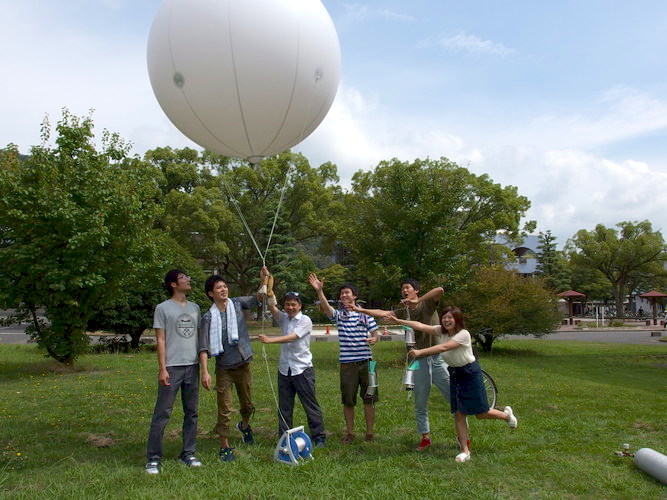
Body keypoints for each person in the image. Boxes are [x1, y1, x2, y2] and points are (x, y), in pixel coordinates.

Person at [388, 306, 517, 463]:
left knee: (481, 413)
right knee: (459, 413)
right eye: (444, 317)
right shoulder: (441, 331)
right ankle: (465, 451)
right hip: (455, 373)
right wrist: (398, 320)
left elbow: (444, 347)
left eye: (450, 317)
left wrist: (420, 352)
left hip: (470, 373)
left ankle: (506, 416)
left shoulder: (463, 334)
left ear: (457, 319)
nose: (446, 320)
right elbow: (420, 326)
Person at [351, 279, 450, 451]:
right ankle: (425, 438)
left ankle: (463, 438)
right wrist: (360, 310)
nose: (404, 291)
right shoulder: (404, 311)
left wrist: (418, 301)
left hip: (437, 358)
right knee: (420, 403)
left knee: (454, 398)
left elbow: (440, 290)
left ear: (416, 290)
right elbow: (382, 313)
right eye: (402, 288)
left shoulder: (427, 304)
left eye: (407, 288)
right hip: (418, 361)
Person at [199, 267, 270, 462]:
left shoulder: (237, 303)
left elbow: (258, 299)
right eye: (218, 288)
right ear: (211, 294)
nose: (223, 289)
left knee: (247, 404)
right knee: (225, 408)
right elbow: (203, 346)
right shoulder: (208, 317)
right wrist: (205, 372)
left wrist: (263, 280)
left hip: (243, 363)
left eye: (225, 286)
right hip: (224, 368)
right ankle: (224, 446)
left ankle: (244, 426)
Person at [145, 270, 210, 475]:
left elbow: (200, 340)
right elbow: (160, 339)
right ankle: (153, 458)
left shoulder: (195, 308)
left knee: (192, 412)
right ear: (173, 284)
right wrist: (162, 368)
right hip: (172, 368)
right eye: (183, 278)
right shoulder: (162, 308)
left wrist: (204, 370)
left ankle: (188, 453)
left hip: (192, 366)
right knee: (162, 413)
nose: (188, 280)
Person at [308, 273, 379, 443]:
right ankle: (350, 433)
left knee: (369, 399)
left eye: (347, 292)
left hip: (368, 362)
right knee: (348, 401)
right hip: (347, 364)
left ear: (355, 296)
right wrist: (319, 291)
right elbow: (326, 307)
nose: (344, 295)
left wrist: (374, 338)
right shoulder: (339, 316)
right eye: (342, 293)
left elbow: (375, 334)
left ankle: (370, 433)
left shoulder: (365, 315)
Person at [258, 288, 326, 447]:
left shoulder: (305, 320)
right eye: (287, 304)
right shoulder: (284, 318)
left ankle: (319, 437)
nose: (290, 307)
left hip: (302, 369)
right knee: (284, 407)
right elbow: (272, 307)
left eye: (293, 304)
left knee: (310, 405)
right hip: (285, 369)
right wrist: (268, 288)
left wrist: (270, 340)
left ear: (300, 305)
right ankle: (284, 438)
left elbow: (292, 337)